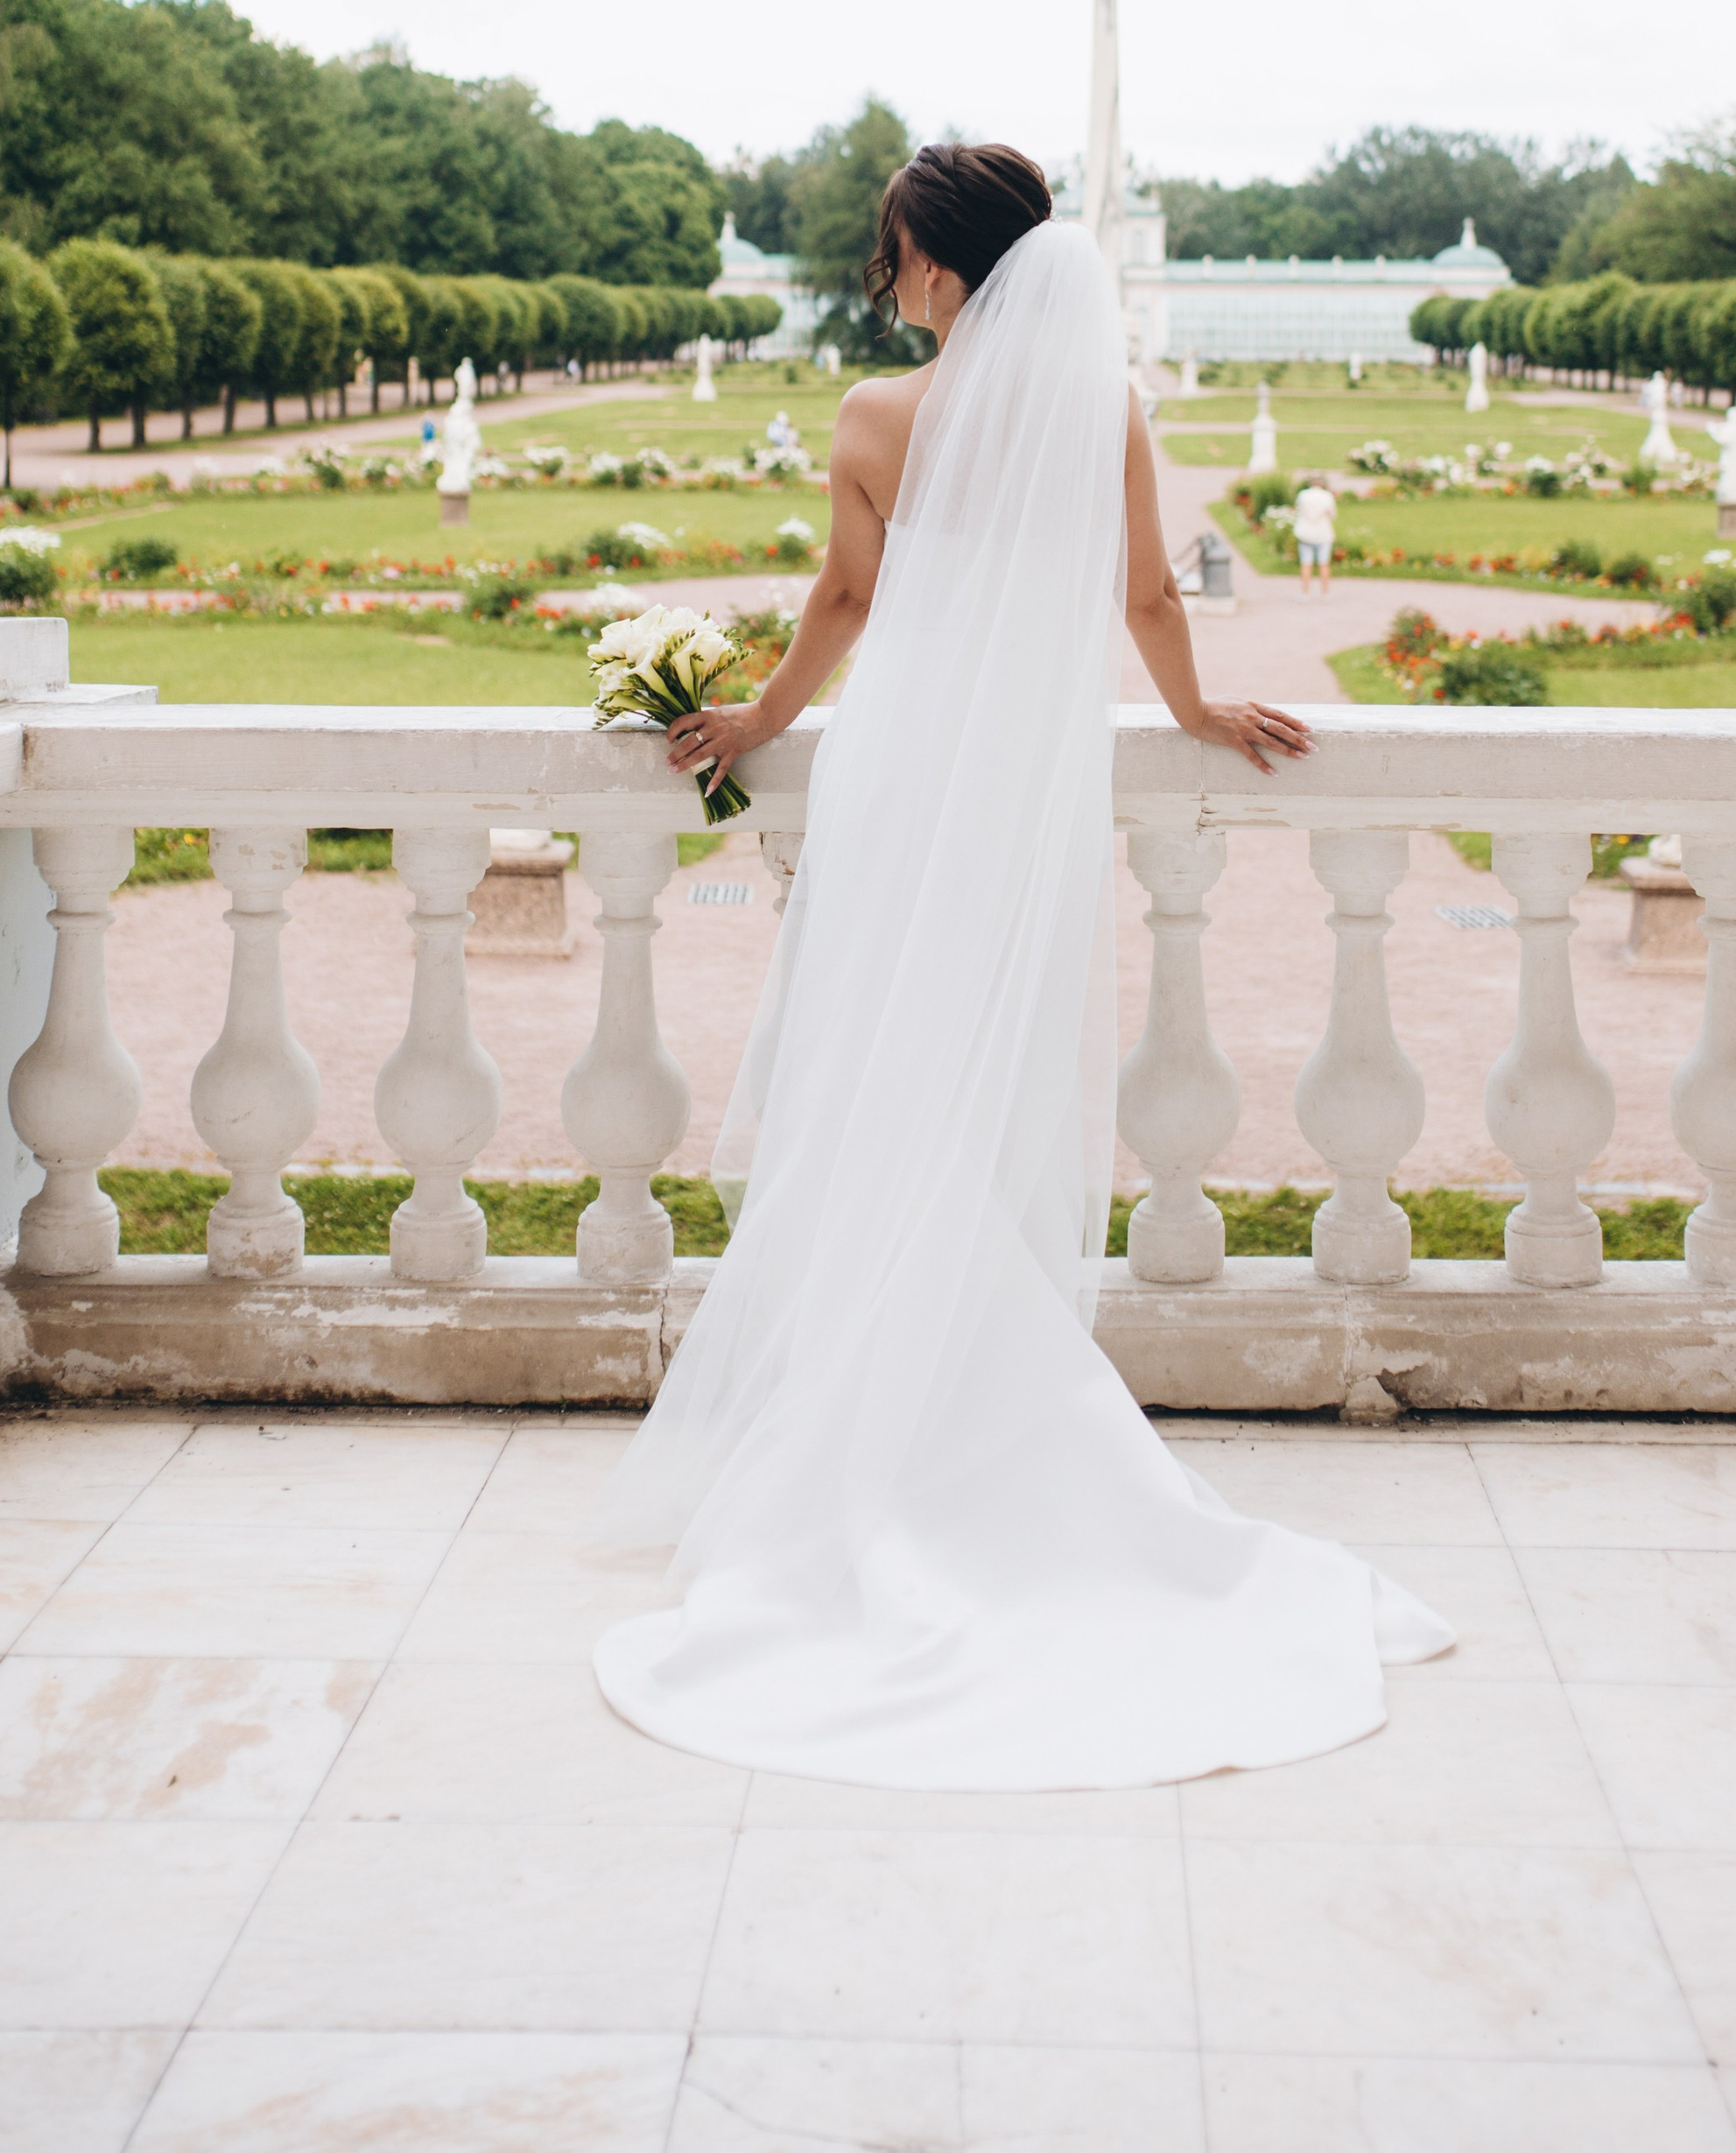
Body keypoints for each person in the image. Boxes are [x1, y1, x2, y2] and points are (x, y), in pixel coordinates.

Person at [591, 144, 1451, 1790]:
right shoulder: (1098, 411)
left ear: (936, 264)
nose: (886, 276)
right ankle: (974, 1406)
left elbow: (846, 597)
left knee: (874, 1073)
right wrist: (1196, 711)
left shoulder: (872, 420)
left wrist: (761, 721)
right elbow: (1140, 593)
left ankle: (875, 1418)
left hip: (901, 765)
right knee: (984, 1079)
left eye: (895, 252)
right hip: (1018, 790)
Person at [1291, 473, 1337, 596]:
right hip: (1323, 532)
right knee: (1324, 563)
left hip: (1306, 532)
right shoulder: (1327, 496)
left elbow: (1298, 510)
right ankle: (1325, 593)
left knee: (1306, 563)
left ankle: (1305, 593)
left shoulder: (1303, 495)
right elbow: (1332, 514)